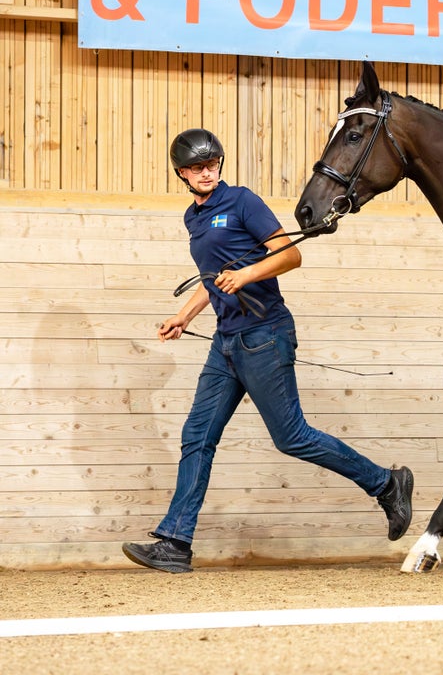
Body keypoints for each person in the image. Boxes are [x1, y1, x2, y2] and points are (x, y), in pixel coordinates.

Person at [122, 128, 413, 573]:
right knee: (197, 436)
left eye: (212, 164)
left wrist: (247, 274)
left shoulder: (242, 201)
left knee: (292, 437)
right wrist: (184, 316)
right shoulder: (193, 218)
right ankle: (176, 543)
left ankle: (386, 484)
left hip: (264, 335)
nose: (206, 172)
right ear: (181, 173)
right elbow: (213, 277)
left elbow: (289, 255)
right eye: (197, 167)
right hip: (225, 342)